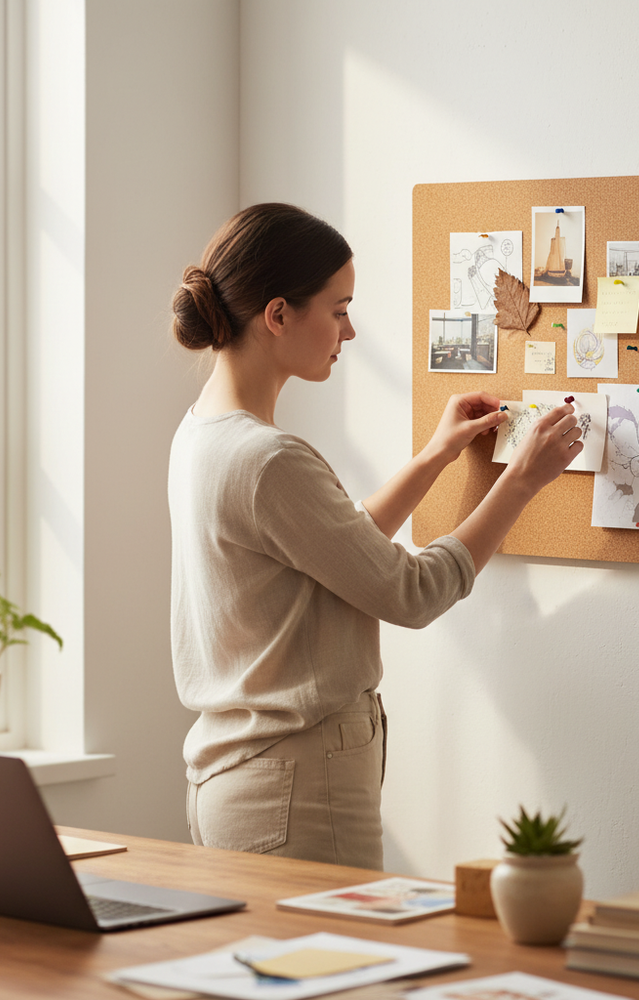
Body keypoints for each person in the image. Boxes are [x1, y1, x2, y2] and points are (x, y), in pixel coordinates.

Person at [168, 203, 582, 870]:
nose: (350, 329)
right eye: (337, 309)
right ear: (278, 315)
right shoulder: (269, 458)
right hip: (298, 790)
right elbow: (411, 593)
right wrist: (521, 481)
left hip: (235, 782)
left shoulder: (202, 435)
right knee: (343, 974)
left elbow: (330, 551)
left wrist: (434, 458)